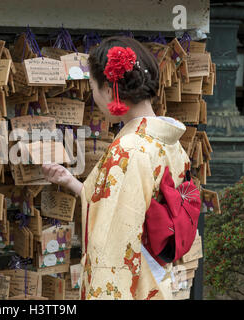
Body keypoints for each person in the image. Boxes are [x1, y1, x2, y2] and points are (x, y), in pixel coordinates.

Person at [42, 36, 190, 300]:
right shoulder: (168, 142)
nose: (94, 97)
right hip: (159, 277)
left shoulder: (129, 149)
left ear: (110, 91)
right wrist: (73, 183)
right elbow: (125, 202)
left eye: (93, 88)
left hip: (136, 284)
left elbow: (112, 242)